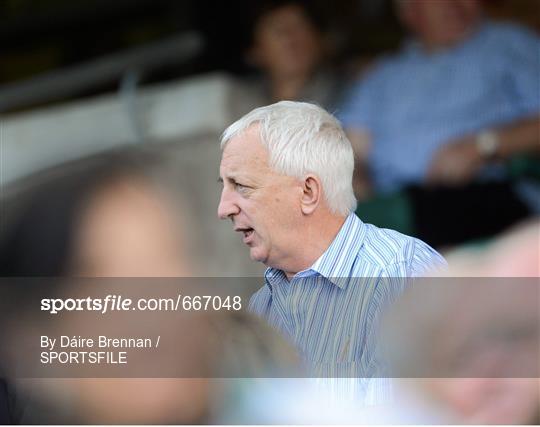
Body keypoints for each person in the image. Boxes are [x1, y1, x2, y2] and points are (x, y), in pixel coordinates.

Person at [217, 101, 445, 401]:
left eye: (241, 186)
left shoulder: (401, 274)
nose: (223, 209)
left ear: (308, 192)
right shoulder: (262, 307)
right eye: (225, 186)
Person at [339, 0, 540, 246]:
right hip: (393, 204)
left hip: (483, 193)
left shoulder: (511, 45)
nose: (454, 4)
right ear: (409, 12)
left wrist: (482, 145)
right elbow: (355, 147)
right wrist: (356, 178)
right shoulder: (384, 74)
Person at [231, 0, 345, 118]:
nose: (291, 40)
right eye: (279, 31)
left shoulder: (349, 95)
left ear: (319, 39)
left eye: (299, 27)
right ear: (255, 52)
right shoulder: (236, 101)